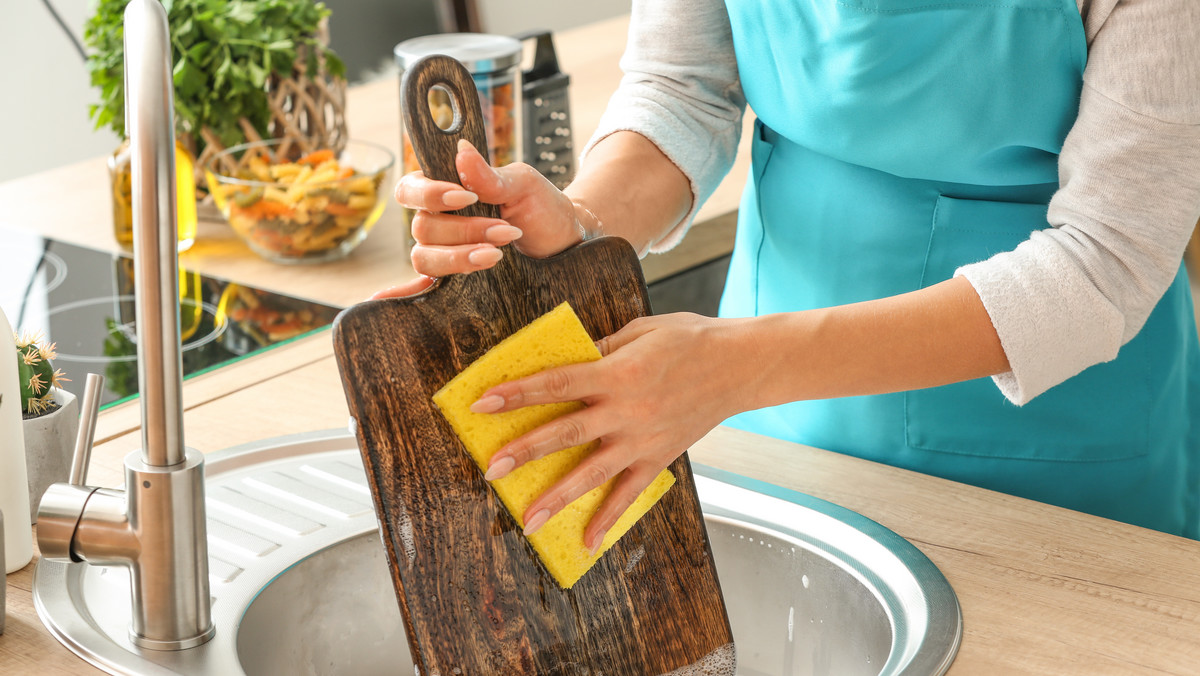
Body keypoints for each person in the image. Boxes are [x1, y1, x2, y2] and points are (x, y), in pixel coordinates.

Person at [382, 0, 1200, 550]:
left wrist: (737, 366)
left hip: (1061, 443)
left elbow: (1106, 262)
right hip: (762, 412)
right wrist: (584, 224)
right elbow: (685, 87)